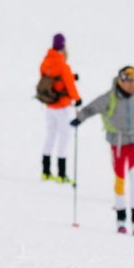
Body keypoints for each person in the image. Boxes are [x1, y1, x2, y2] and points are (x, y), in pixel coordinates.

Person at [72, 66, 134, 236]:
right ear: (120, 81)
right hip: (117, 145)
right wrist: (78, 119)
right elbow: (91, 108)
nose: (132, 85)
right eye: (128, 81)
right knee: (120, 179)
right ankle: (121, 217)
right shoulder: (109, 98)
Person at [38, 33, 82, 182]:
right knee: (64, 137)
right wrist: (78, 99)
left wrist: (71, 75)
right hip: (61, 107)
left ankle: (45, 171)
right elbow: (69, 85)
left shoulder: (45, 62)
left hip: (49, 105)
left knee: (50, 136)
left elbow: (51, 78)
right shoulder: (63, 65)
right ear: (63, 45)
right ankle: (61, 175)